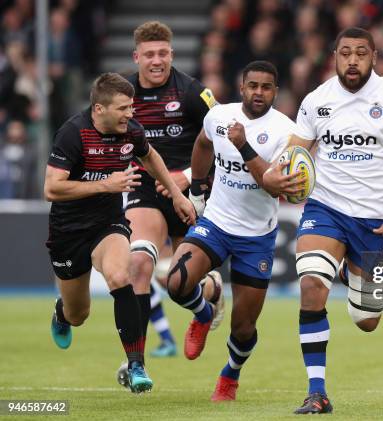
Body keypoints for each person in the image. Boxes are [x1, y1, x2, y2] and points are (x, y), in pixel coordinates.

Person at [263, 27, 383, 414]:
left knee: (366, 320)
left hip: (375, 219)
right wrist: (276, 173)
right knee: (312, 285)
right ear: (334, 55)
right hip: (325, 210)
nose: (353, 61)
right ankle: (316, 391)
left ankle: (352, 273)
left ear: (374, 57)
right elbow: (295, 151)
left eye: (361, 53)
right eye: (346, 53)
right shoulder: (317, 100)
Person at [45, 72, 196, 393]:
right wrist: (105, 184)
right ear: (99, 109)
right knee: (78, 314)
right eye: (124, 108)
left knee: (120, 276)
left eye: (132, 107)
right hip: (68, 232)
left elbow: (150, 155)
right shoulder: (72, 134)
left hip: (107, 224)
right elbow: (52, 188)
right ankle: (62, 313)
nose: (131, 113)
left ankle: (136, 364)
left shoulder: (132, 130)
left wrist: (178, 194)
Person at [163, 60, 300, 401]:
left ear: (275, 92)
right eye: (252, 86)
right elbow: (203, 145)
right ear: (242, 87)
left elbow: (272, 186)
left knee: (243, 326)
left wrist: (243, 145)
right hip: (216, 223)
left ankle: (230, 375)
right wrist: (196, 190)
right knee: (176, 283)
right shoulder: (219, 116)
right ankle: (204, 312)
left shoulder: (285, 131)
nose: (258, 93)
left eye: (266, 87)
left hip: (256, 239)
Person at [124, 21, 223, 359]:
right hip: (145, 191)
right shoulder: (124, 94)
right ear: (137, 56)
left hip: (191, 193)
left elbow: (226, 140)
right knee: (138, 264)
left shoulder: (192, 92)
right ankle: (136, 363)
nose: (157, 60)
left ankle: (211, 295)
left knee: (178, 283)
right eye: (149, 54)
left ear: (172, 54)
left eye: (163, 53)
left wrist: (188, 174)